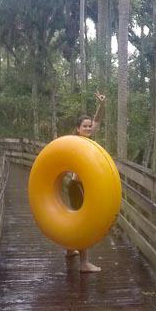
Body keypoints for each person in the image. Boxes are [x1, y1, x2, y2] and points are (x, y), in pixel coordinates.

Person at [66, 92, 106, 272]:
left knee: (74, 218)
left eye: (90, 126)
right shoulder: (76, 142)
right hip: (77, 186)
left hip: (77, 186)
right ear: (78, 128)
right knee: (84, 222)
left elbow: (97, 120)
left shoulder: (89, 140)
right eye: (85, 126)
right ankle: (84, 263)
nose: (89, 128)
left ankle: (69, 249)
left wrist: (101, 105)